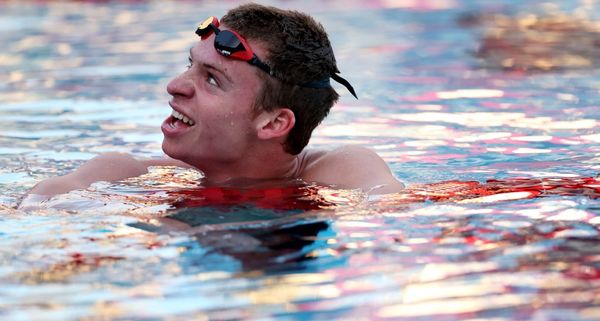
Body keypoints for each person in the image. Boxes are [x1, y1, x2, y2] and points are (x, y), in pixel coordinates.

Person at [24, 3, 404, 202]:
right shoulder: (126, 173)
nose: (175, 86)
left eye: (211, 79)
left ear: (274, 123)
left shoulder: (341, 169)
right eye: (191, 66)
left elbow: (390, 213)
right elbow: (37, 208)